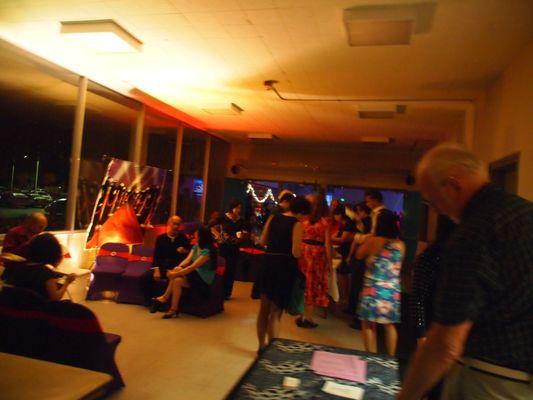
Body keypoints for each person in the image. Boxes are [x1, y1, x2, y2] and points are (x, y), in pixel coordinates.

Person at [398, 143, 533, 400]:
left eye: (432, 199)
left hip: (491, 378)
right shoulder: (526, 213)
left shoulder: (473, 234)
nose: (435, 208)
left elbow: (446, 343)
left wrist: (406, 396)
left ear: (452, 185)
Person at [409, 215, 456, 400]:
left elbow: (418, 297)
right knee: (436, 385)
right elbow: (419, 298)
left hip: (441, 330)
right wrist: (421, 334)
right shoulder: (434, 257)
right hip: (436, 329)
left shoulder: (431, 256)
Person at [256, 196, 311, 352]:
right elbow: (295, 252)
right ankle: (271, 351)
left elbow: (262, 241)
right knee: (276, 312)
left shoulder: (273, 217)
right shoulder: (297, 224)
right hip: (283, 267)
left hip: (268, 263)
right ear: (301, 212)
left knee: (263, 309)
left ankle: (261, 346)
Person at [356, 211, 404, 356]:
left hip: (373, 288)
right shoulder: (401, 245)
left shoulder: (373, 241)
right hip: (392, 289)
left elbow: (358, 255)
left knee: (368, 323)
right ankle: (390, 358)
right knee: (389, 325)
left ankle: (371, 356)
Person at [152, 226, 218, 319]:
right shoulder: (196, 246)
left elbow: (192, 266)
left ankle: (164, 297)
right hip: (194, 275)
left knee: (176, 274)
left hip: (203, 280)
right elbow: (187, 260)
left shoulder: (208, 251)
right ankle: (173, 310)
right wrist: (179, 267)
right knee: (177, 281)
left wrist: (174, 273)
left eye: (196, 233)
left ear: (201, 236)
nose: (194, 234)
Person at [2, 233, 75, 301]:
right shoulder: (46, 273)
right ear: (53, 253)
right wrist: (67, 282)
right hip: (38, 311)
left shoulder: (16, 268)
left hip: (16, 309)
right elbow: (55, 298)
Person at [296, 193, 332, 328]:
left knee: (303, 284)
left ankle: (300, 315)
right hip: (317, 254)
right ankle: (308, 318)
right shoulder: (325, 221)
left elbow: (298, 237)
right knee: (313, 285)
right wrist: (329, 263)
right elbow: (328, 244)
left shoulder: (303, 219)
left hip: (304, 252)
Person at [140, 216, 190, 308]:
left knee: (171, 279)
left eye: (178, 224)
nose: (176, 226)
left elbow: (189, 255)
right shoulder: (161, 238)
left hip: (175, 269)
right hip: (162, 267)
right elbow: (156, 256)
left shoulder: (183, 238)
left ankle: (163, 304)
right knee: (144, 277)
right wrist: (156, 270)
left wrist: (184, 251)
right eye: (174, 224)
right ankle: (149, 302)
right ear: (169, 224)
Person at [346, 202, 372, 328]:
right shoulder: (363, 222)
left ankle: (357, 315)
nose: (358, 213)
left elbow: (358, 239)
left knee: (358, 285)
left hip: (362, 258)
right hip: (359, 257)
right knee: (356, 284)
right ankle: (352, 309)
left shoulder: (368, 222)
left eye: (359, 211)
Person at [213, 199, 247, 300]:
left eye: (240, 208)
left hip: (235, 246)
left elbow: (244, 231)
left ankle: (227, 293)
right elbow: (211, 227)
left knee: (231, 269)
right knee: (222, 268)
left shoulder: (240, 220)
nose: (238, 210)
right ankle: (219, 291)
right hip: (224, 246)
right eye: (237, 208)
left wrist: (242, 236)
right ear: (232, 208)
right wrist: (218, 235)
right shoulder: (223, 217)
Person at [330, 205, 356, 308]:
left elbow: (342, 239)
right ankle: (342, 298)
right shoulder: (343, 225)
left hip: (348, 253)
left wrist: (331, 239)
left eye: (335, 215)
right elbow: (335, 237)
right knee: (341, 276)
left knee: (344, 277)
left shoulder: (349, 225)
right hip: (343, 252)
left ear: (340, 215)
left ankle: (345, 299)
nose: (335, 217)